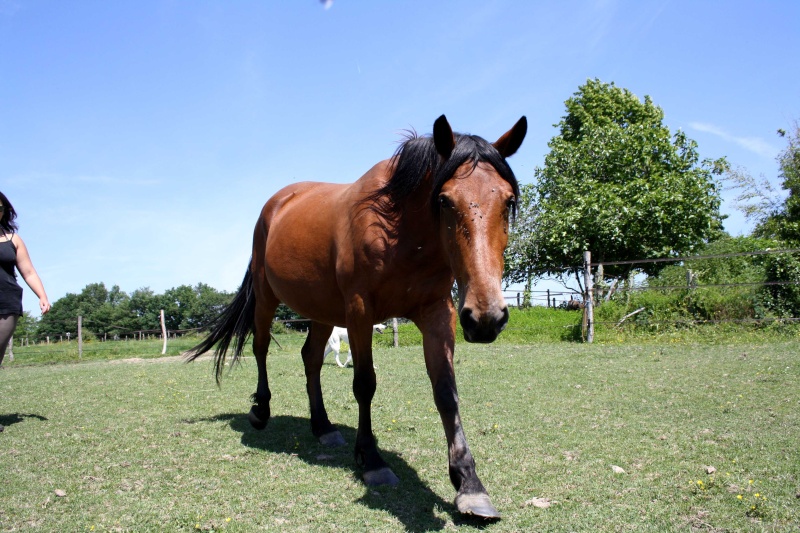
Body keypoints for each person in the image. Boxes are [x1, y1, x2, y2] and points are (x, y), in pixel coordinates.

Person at [0, 192, 51, 432]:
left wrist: (42, 296)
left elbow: (28, 272)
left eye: (0, 208)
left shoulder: (13, 239)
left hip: (7, 303)